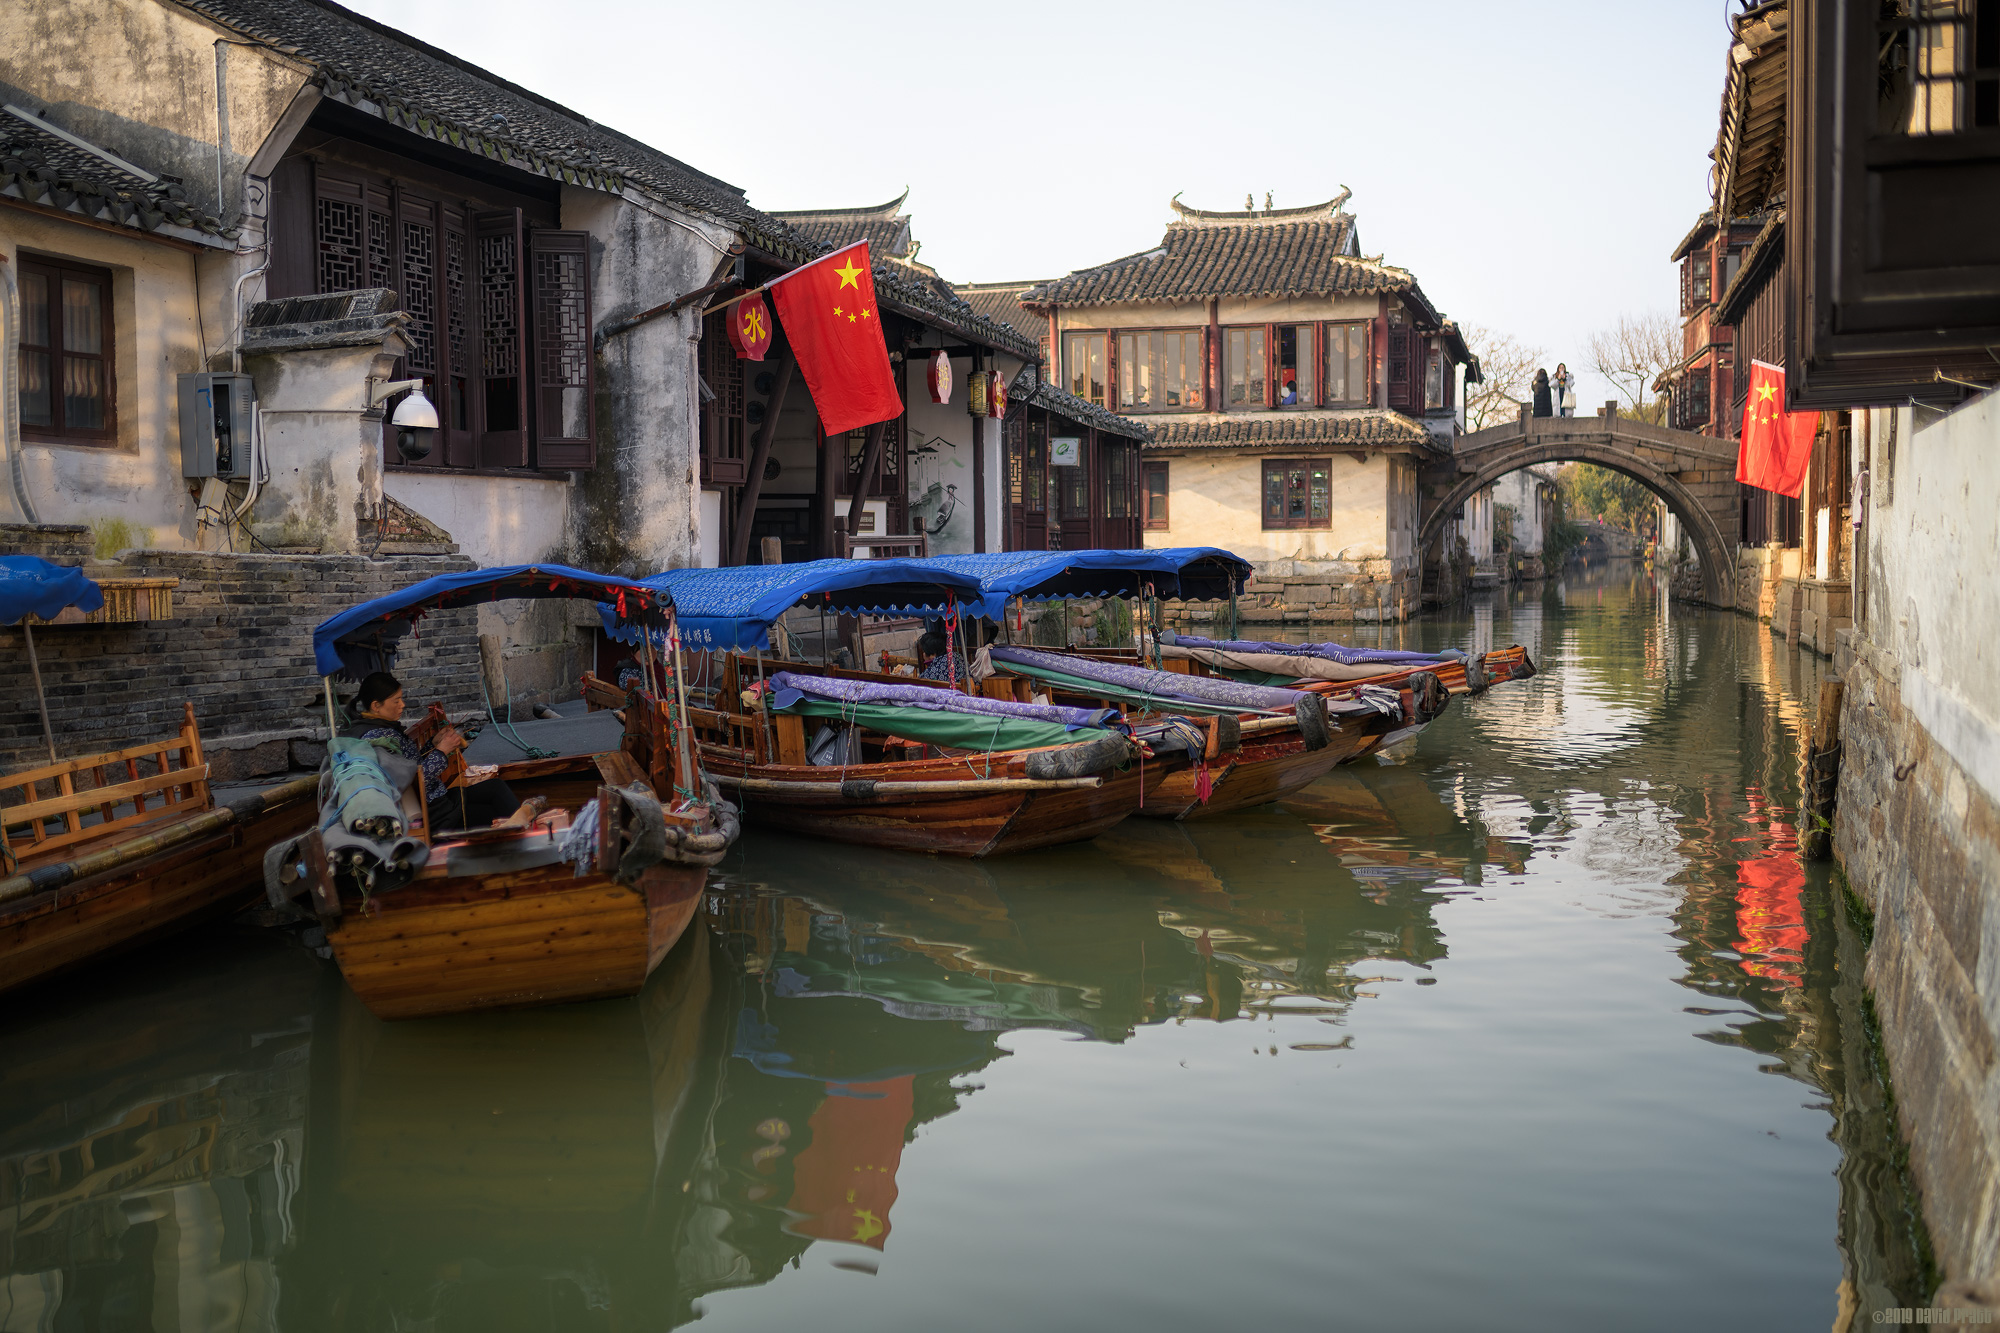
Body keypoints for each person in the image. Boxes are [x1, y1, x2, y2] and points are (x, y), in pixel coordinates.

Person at [342, 671, 528, 832]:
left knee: (494, 787)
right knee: (494, 812)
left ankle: (523, 827)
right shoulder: (376, 739)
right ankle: (525, 834)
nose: (403, 705)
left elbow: (410, 763)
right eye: (396, 700)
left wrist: (433, 744)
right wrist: (440, 752)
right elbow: (409, 781)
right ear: (376, 706)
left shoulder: (384, 729)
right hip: (432, 813)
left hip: (438, 799)